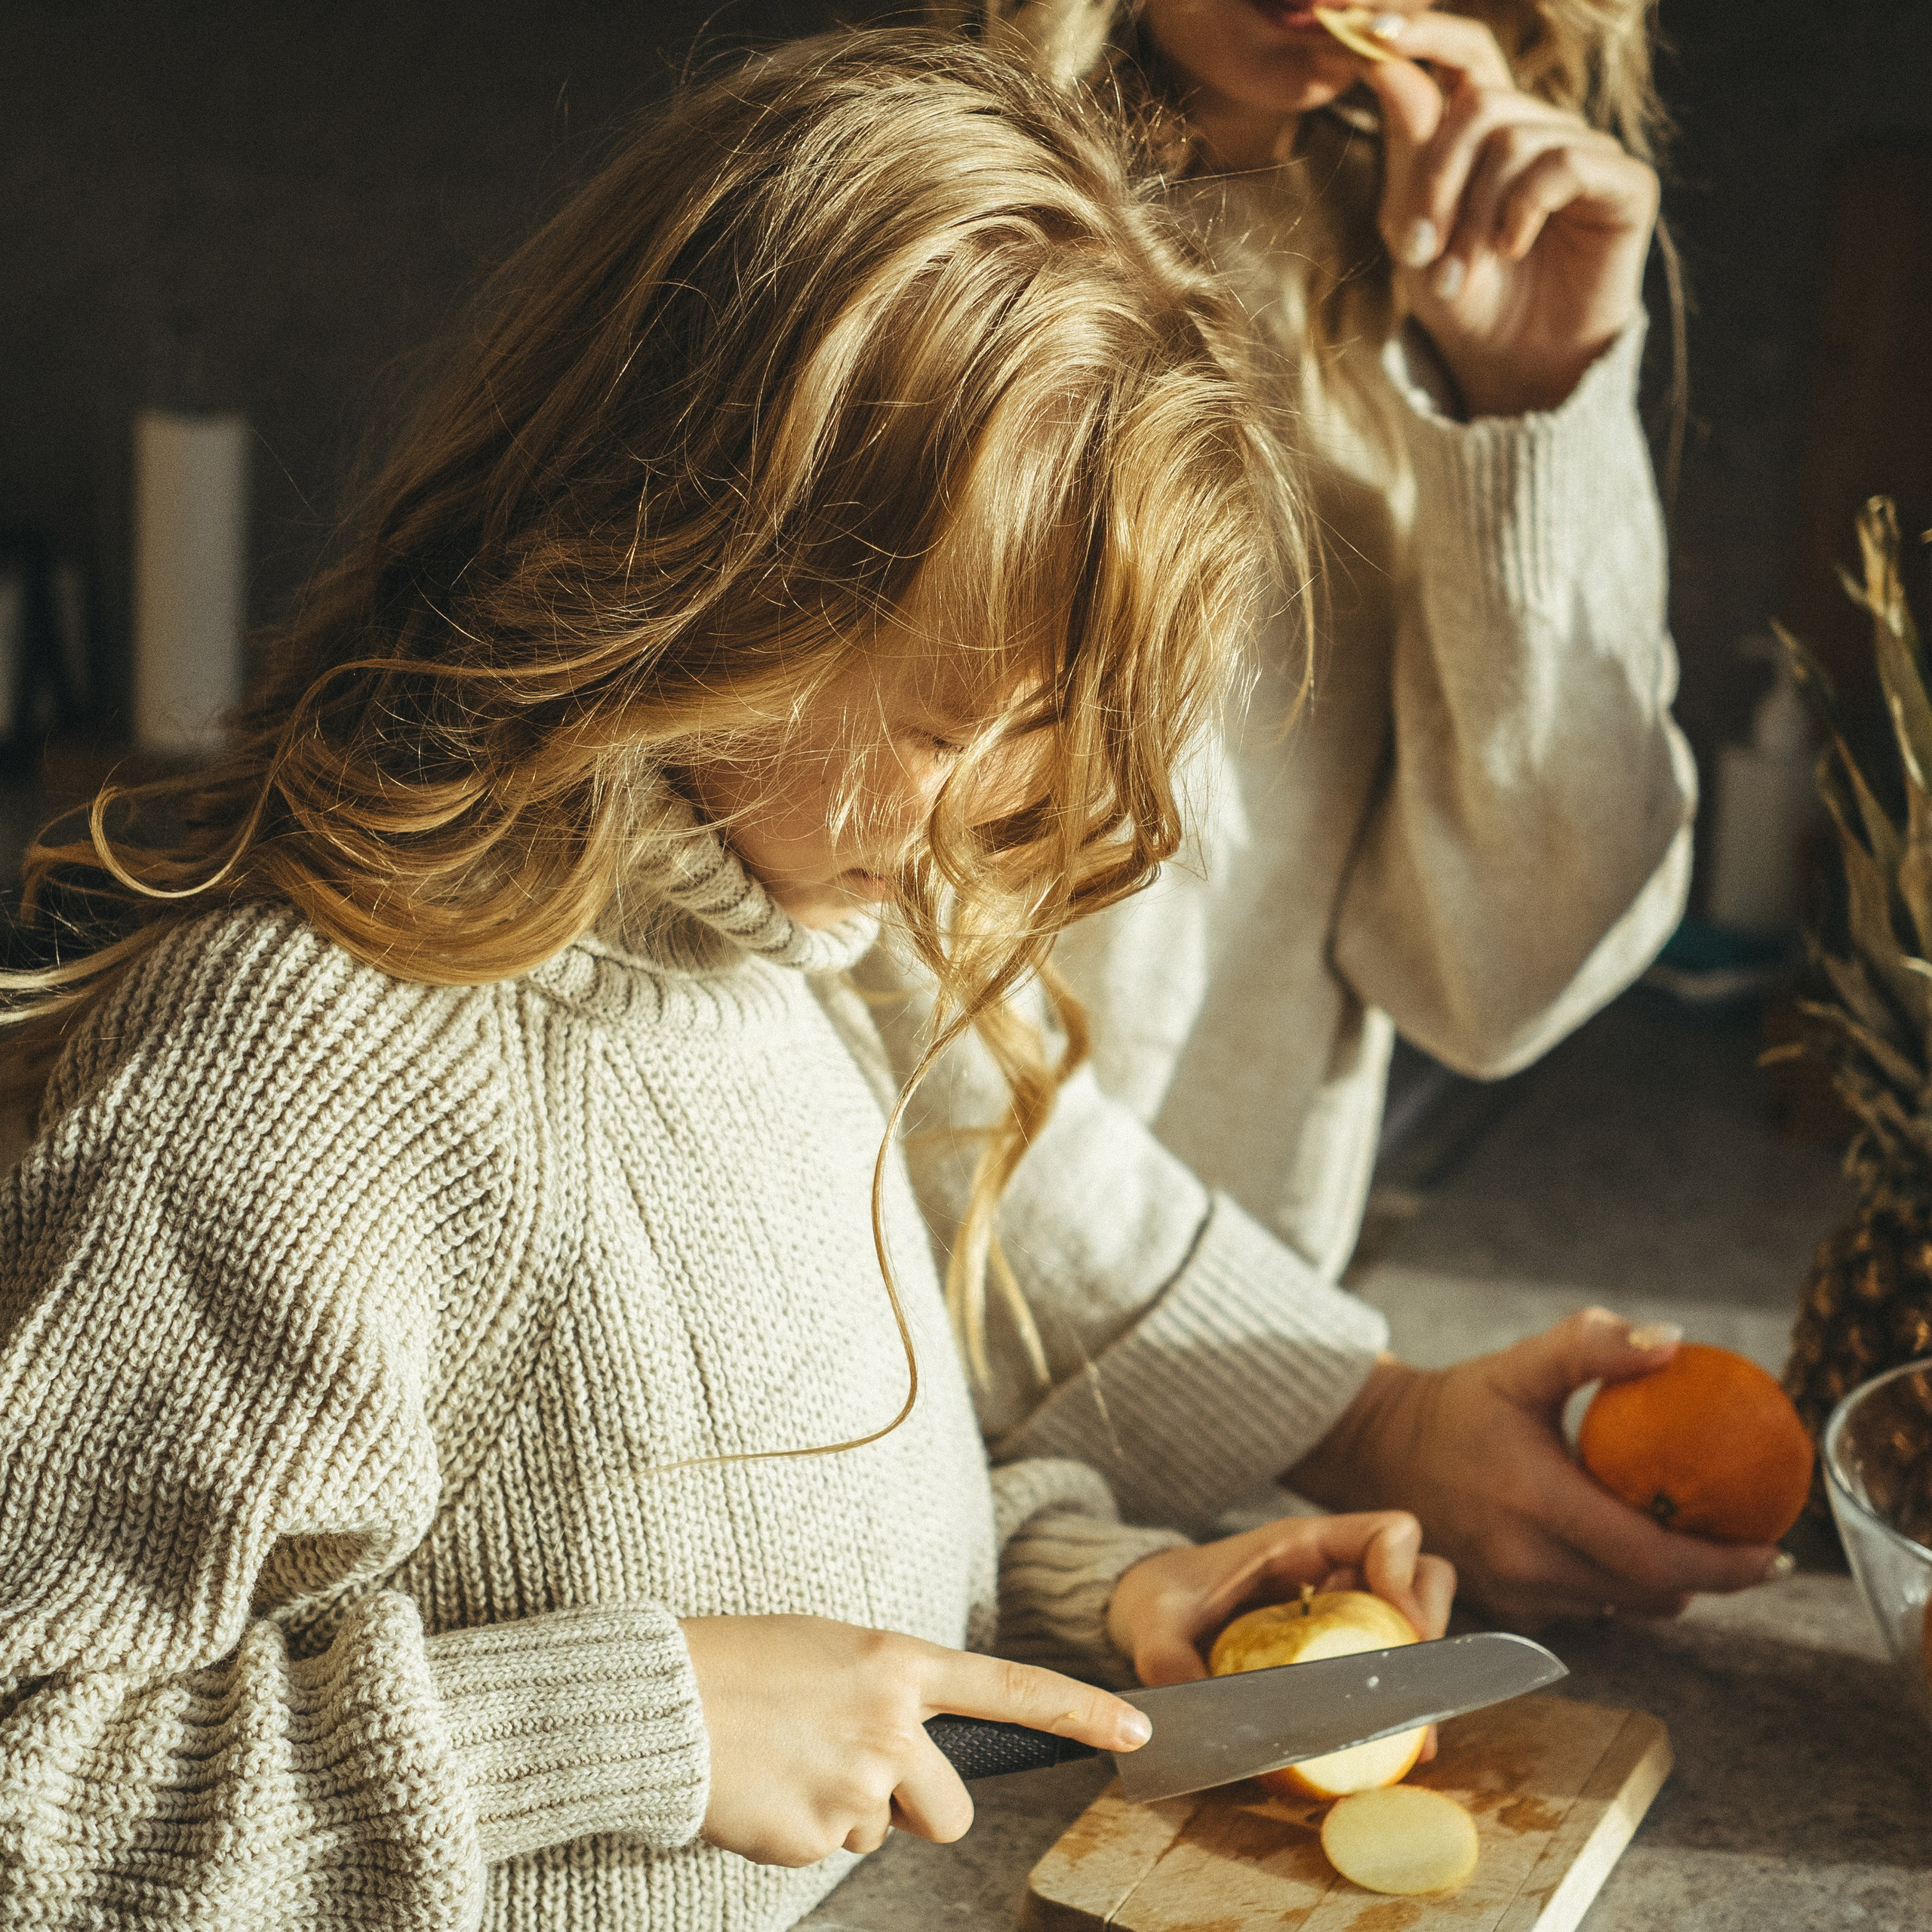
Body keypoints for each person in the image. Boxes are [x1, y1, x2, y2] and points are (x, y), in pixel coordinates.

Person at [0, 34, 1456, 1932]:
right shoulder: (313, 1057)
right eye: (960, 725)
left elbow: (723, 1534)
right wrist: (640, 1726)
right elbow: (33, 1766)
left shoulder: (779, 954)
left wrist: (1091, 1597)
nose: (1003, 820)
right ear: (696, 578)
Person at [889, 0, 1786, 1625]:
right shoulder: (911, 219)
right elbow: (845, 948)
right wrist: (1341, 1406)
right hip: (848, 1425)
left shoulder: (1414, 277)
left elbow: (1492, 978)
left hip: (1174, 1490)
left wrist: (1533, 405)